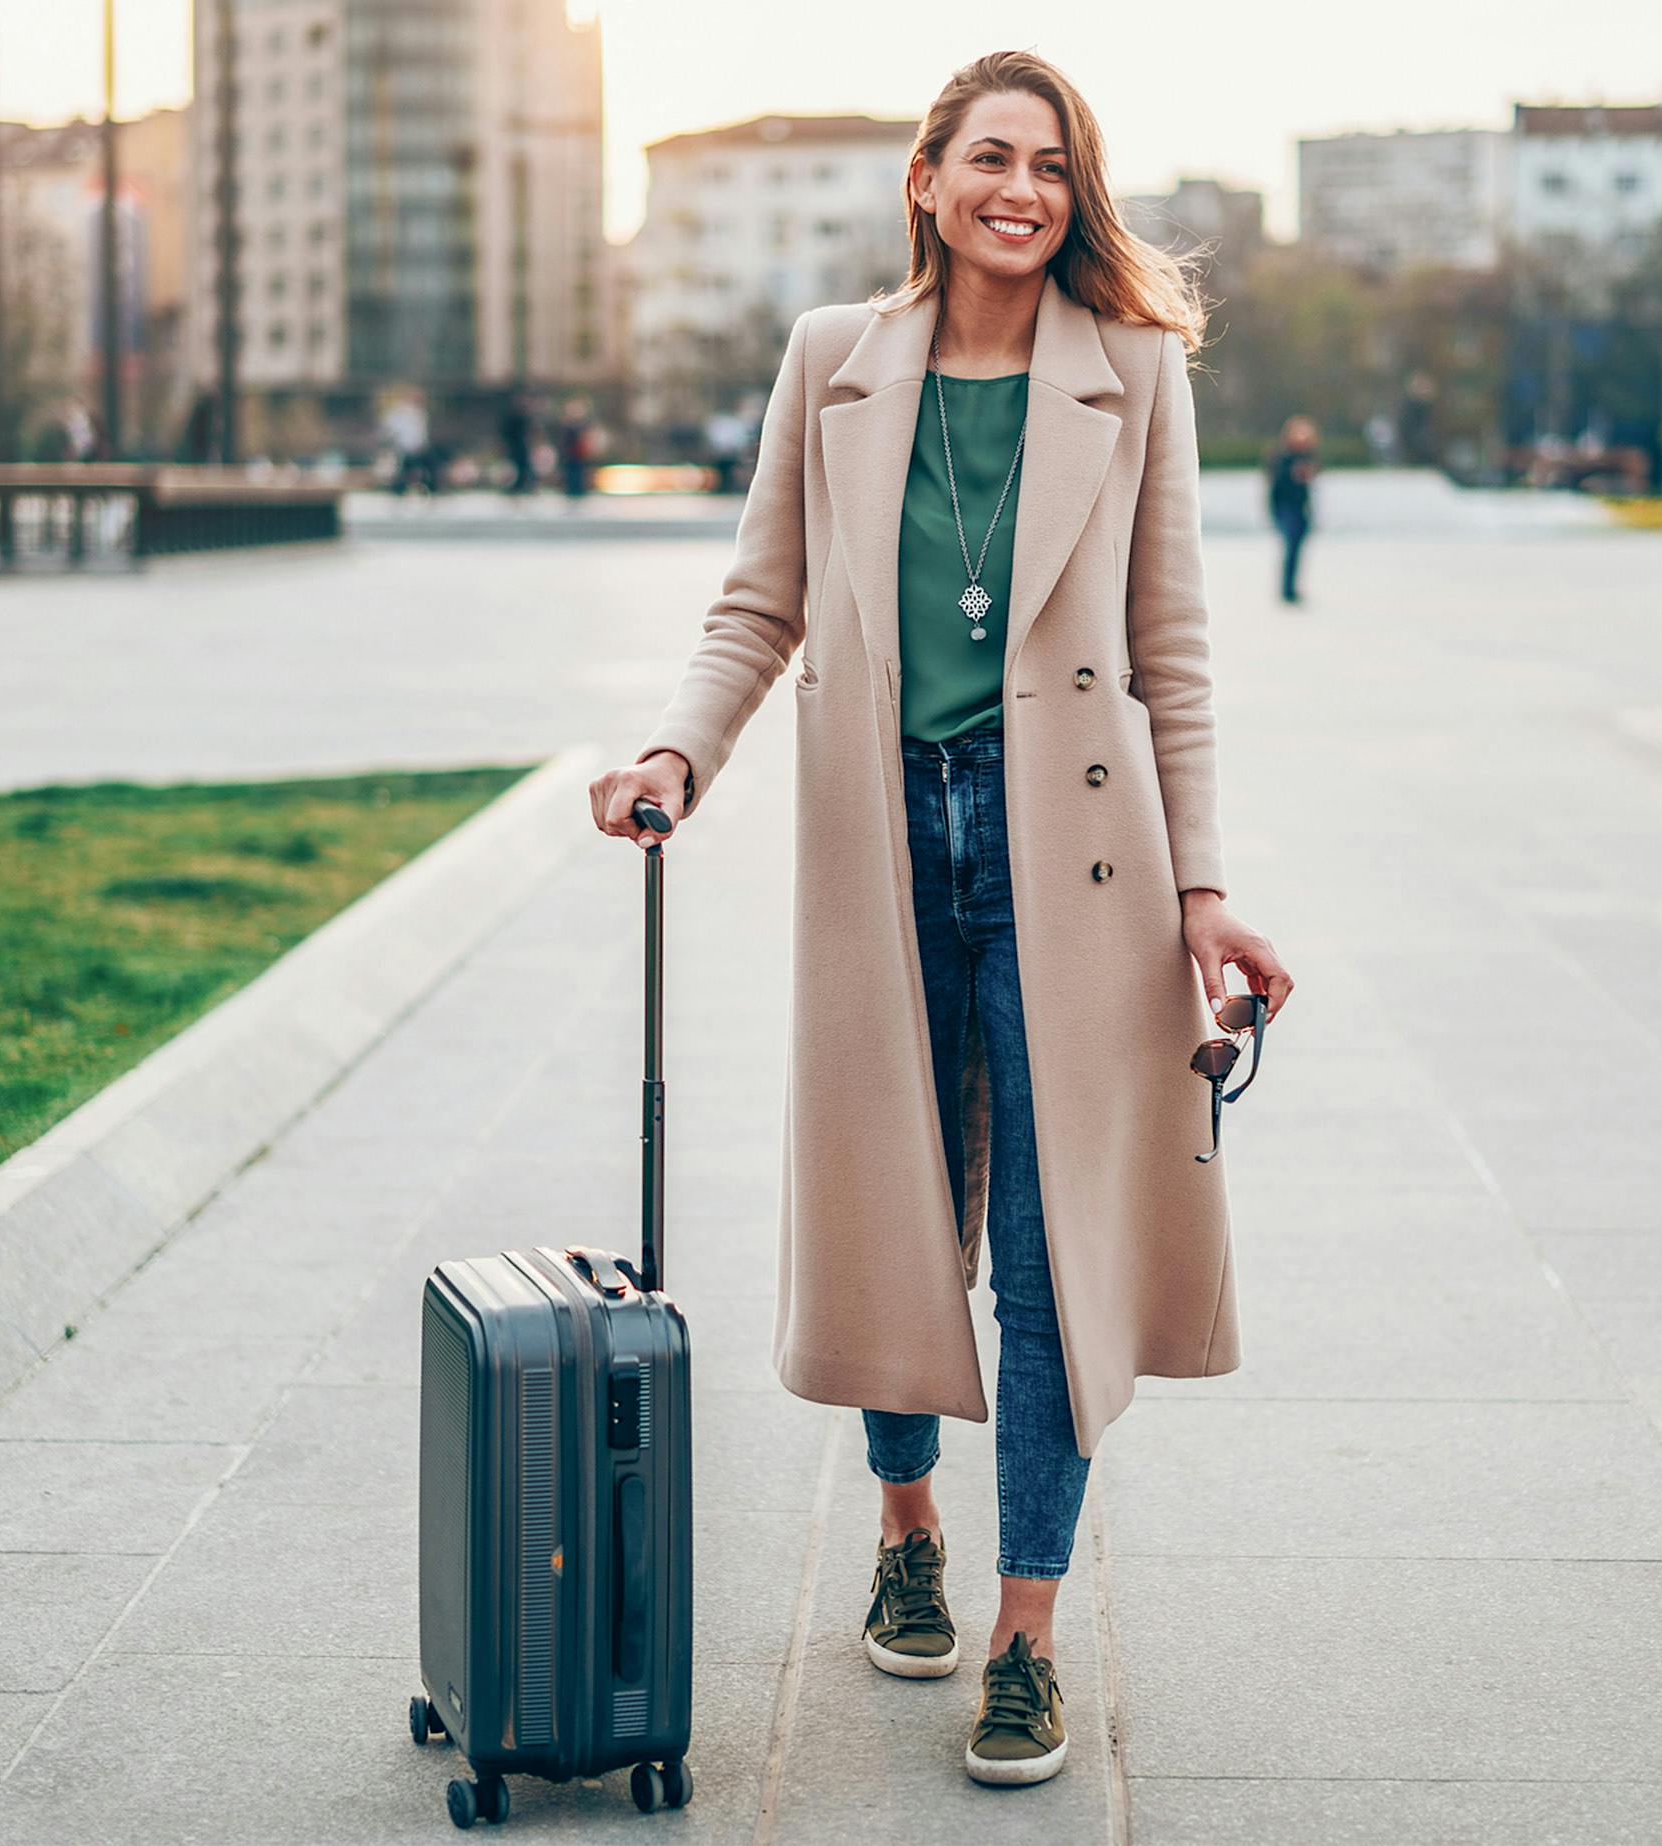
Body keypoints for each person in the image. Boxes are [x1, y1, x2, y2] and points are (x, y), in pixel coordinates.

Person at [588, 49, 1293, 1789]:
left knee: (1056, 1256)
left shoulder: (1133, 371)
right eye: (993, 158)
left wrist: (1206, 886)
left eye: (1054, 166)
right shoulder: (834, 360)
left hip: (1080, 865)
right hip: (882, 838)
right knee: (903, 1218)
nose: (1024, 191)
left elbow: (1173, 652)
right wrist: (677, 747)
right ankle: (907, 1519)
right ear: (927, 178)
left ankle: (1027, 1635)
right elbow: (758, 602)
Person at [1267, 415, 1316, 605]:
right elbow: (1277, 485)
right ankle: (1287, 590)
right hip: (1285, 509)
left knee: (1296, 550)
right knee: (1290, 548)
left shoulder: (1306, 457)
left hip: (1300, 509)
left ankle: (1291, 588)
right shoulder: (1282, 458)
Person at [500, 392, 536, 495]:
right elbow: (505, 433)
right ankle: (517, 486)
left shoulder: (525, 417)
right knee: (516, 467)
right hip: (514, 446)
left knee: (524, 467)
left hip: (522, 446)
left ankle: (523, 485)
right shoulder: (511, 417)